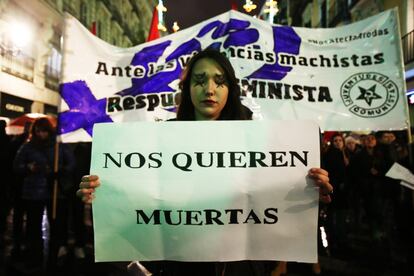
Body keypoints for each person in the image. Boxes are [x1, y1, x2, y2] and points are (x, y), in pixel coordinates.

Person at [77, 48, 333, 276]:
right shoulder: (158, 140)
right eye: (199, 81)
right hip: (178, 262)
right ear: (187, 88)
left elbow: (275, 196)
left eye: (219, 82)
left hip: (241, 266)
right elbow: (133, 194)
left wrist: (308, 190)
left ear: (229, 89)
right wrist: (102, 192)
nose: (209, 89)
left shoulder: (259, 140)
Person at [13, 117, 75, 269]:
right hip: (33, 193)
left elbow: (72, 163)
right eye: (38, 131)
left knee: (56, 225)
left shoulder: (59, 146)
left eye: (44, 131)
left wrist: (60, 172)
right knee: (33, 226)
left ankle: (54, 257)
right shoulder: (28, 147)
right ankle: (35, 257)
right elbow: (16, 165)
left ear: (49, 131)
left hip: (55, 192)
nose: (41, 134)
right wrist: (28, 168)